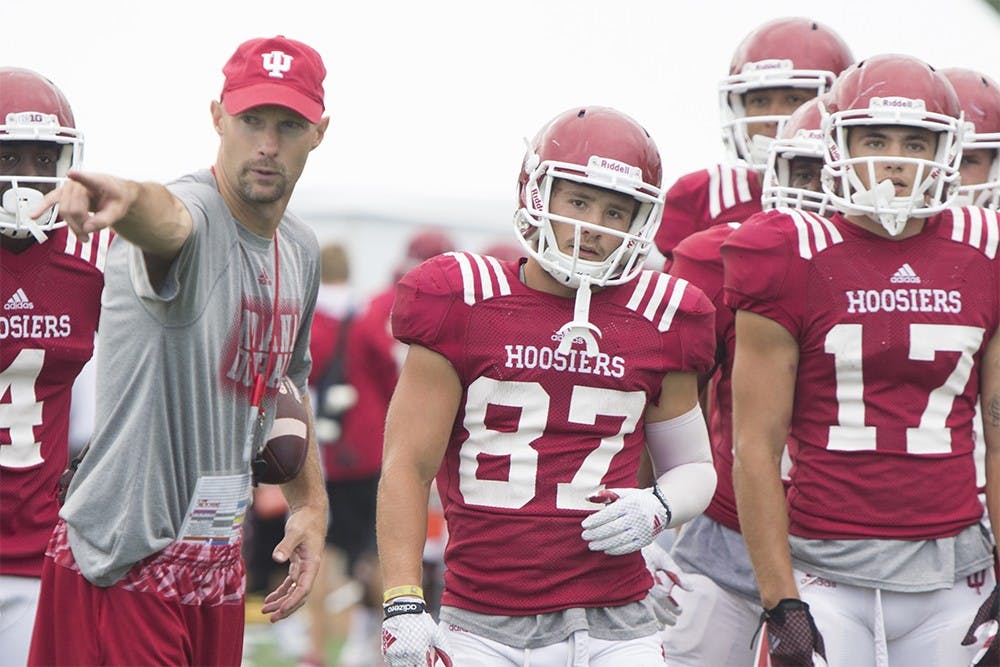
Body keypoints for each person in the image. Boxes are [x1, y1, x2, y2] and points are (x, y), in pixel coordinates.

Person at [26, 35, 330, 667]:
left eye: (288, 125)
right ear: (217, 116)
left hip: (217, 568)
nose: (267, 145)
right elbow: (164, 219)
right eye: (251, 121)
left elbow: (288, 385)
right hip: (125, 564)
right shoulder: (190, 213)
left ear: (319, 132)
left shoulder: (299, 251)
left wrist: (309, 502)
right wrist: (125, 196)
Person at [377, 106, 718, 666]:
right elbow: (406, 467)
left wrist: (658, 508)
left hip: (618, 620)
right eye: (578, 201)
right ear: (538, 194)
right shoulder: (463, 299)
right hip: (485, 621)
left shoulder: (662, 315)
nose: (593, 225)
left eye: (615, 209)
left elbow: (695, 468)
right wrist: (403, 602)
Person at [723, 53, 1000, 666]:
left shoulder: (985, 249)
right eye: (875, 138)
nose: (896, 159)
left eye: (916, 141)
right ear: (837, 143)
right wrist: (779, 600)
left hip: (955, 575)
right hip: (824, 571)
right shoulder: (788, 251)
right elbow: (755, 448)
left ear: (947, 151)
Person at [660, 96, 828, 667]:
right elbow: (660, 403)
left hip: (859, 542)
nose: (820, 188)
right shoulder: (722, 255)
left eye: (830, 171)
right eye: (804, 171)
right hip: (727, 525)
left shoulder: (933, 271)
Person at [0, 67, 106, 667]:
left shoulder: (97, 255)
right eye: (11, 155)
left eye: (44, 159)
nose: (27, 178)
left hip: (39, 553)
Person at [654, 16, 853, 266]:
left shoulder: (864, 197)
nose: (773, 116)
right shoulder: (702, 194)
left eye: (793, 99)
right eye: (759, 101)